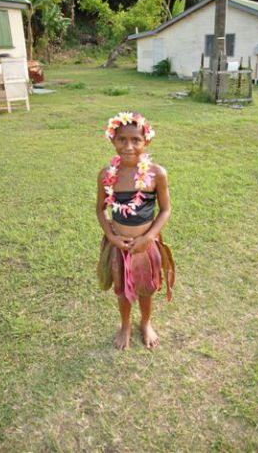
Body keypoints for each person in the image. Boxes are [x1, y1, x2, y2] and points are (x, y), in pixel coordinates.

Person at [96, 111, 175, 350]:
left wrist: (148, 237)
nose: (128, 146)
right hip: (119, 245)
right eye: (122, 139)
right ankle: (125, 325)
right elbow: (100, 210)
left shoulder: (156, 174)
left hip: (146, 245)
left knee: (146, 288)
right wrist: (111, 236)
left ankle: (146, 323)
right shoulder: (106, 175)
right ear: (113, 140)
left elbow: (165, 210)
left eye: (136, 140)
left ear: (146, 141)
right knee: (121, 289)